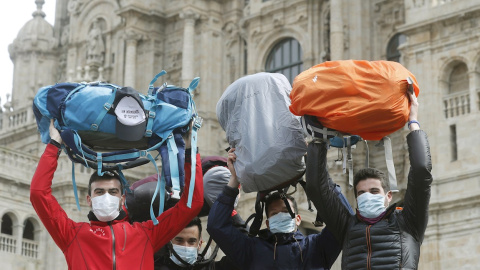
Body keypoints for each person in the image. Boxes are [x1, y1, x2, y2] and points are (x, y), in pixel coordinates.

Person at [30, 120, 204, 269]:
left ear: (122, 199)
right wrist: (54, 144)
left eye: (112, 192)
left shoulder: (146, 234)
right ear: (89, 200)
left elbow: (192, 203)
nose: (106, 196)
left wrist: (190, 147)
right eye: (100, 192)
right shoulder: (72, 234)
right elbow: (39, 194)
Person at [305, 92, 432, 269]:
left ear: (388, 196)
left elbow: (421, 171)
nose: (367, 196)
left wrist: (413, 122)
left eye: (374, 191)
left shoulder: (408, 222)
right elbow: (316, 187)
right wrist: (319, 138)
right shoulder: (346, 226)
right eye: (361, 193)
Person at [206, 148, 354, 270]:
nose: (281, 216)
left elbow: (344, 218)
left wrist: (317, 169)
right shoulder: (251, 250)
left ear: (298, 219)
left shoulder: (317, 247)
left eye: (285, 211)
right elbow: (216, 226)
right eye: (275, 214)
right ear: (268, 223)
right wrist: (234, 180)